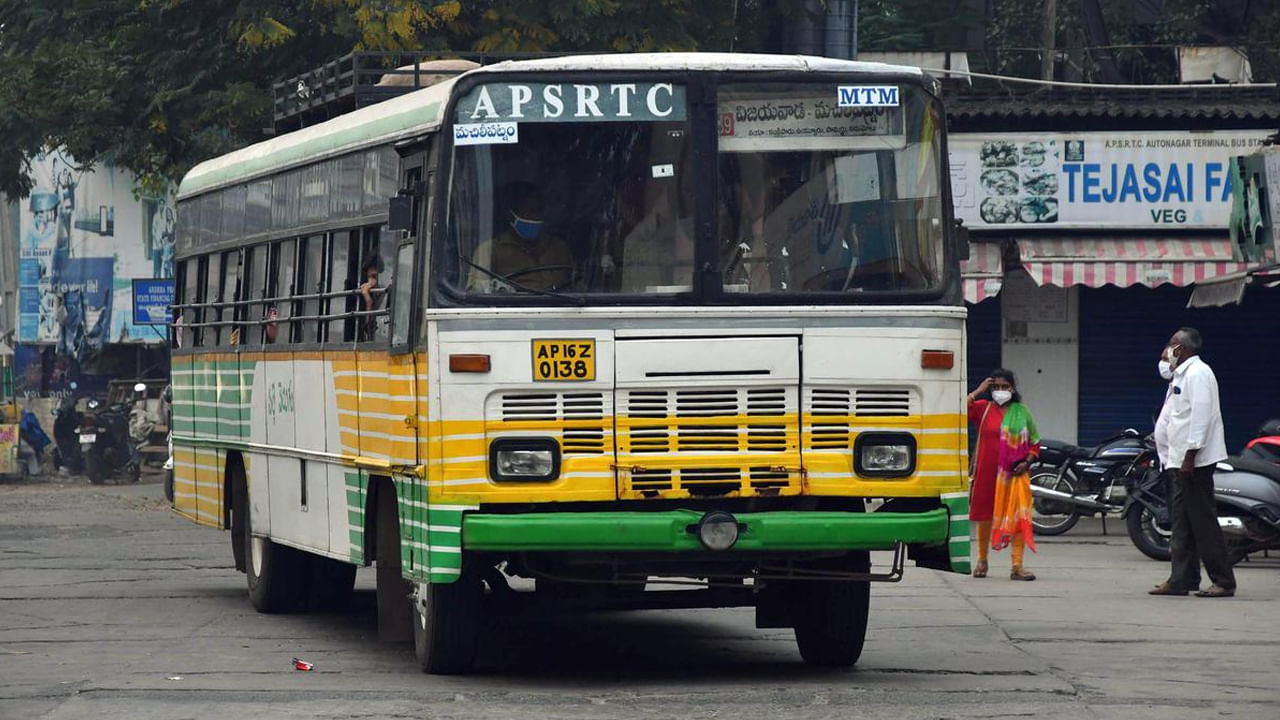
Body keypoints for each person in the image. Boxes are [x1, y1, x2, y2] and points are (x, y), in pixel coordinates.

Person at [1149, 327, 1236, 598]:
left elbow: (1201, 418)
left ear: (1182, 348)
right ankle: (1181, 580)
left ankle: (1223, 581)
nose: (1167, 350)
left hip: (1193, 462)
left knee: (1202, 521)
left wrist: (1190, 457)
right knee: (1182, 522)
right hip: (1178, 460)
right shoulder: (1182, 373)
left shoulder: (1199, 374)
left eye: (1172, 344)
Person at [967, 369, 1040, 580]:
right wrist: (978, 391)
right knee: (984, 517)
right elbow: (957, 412)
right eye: (995, 387)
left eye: (1004, 387)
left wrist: (1027, 462)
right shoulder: (983, 408)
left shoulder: (1022, 412)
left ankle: (1017, 566)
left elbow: (1035, 442)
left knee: (1017, 517)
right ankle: (982, 560)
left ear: (1012, 389)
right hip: (987, 472)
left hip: (1014, 474)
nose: (1000, 391)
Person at [468, 182, 573, 292]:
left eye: (539, 211)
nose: (536, 217)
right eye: (530, 211)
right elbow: (476, 292)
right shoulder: (489, 251)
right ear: (511, 216)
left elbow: (579, 287)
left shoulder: (559, 248)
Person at [358, 257, 384, 341]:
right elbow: (367, 329)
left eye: (374, 276)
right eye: (369, 277)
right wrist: (368, 301)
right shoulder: (367, 295)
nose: (371, 281)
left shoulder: (386, 294)